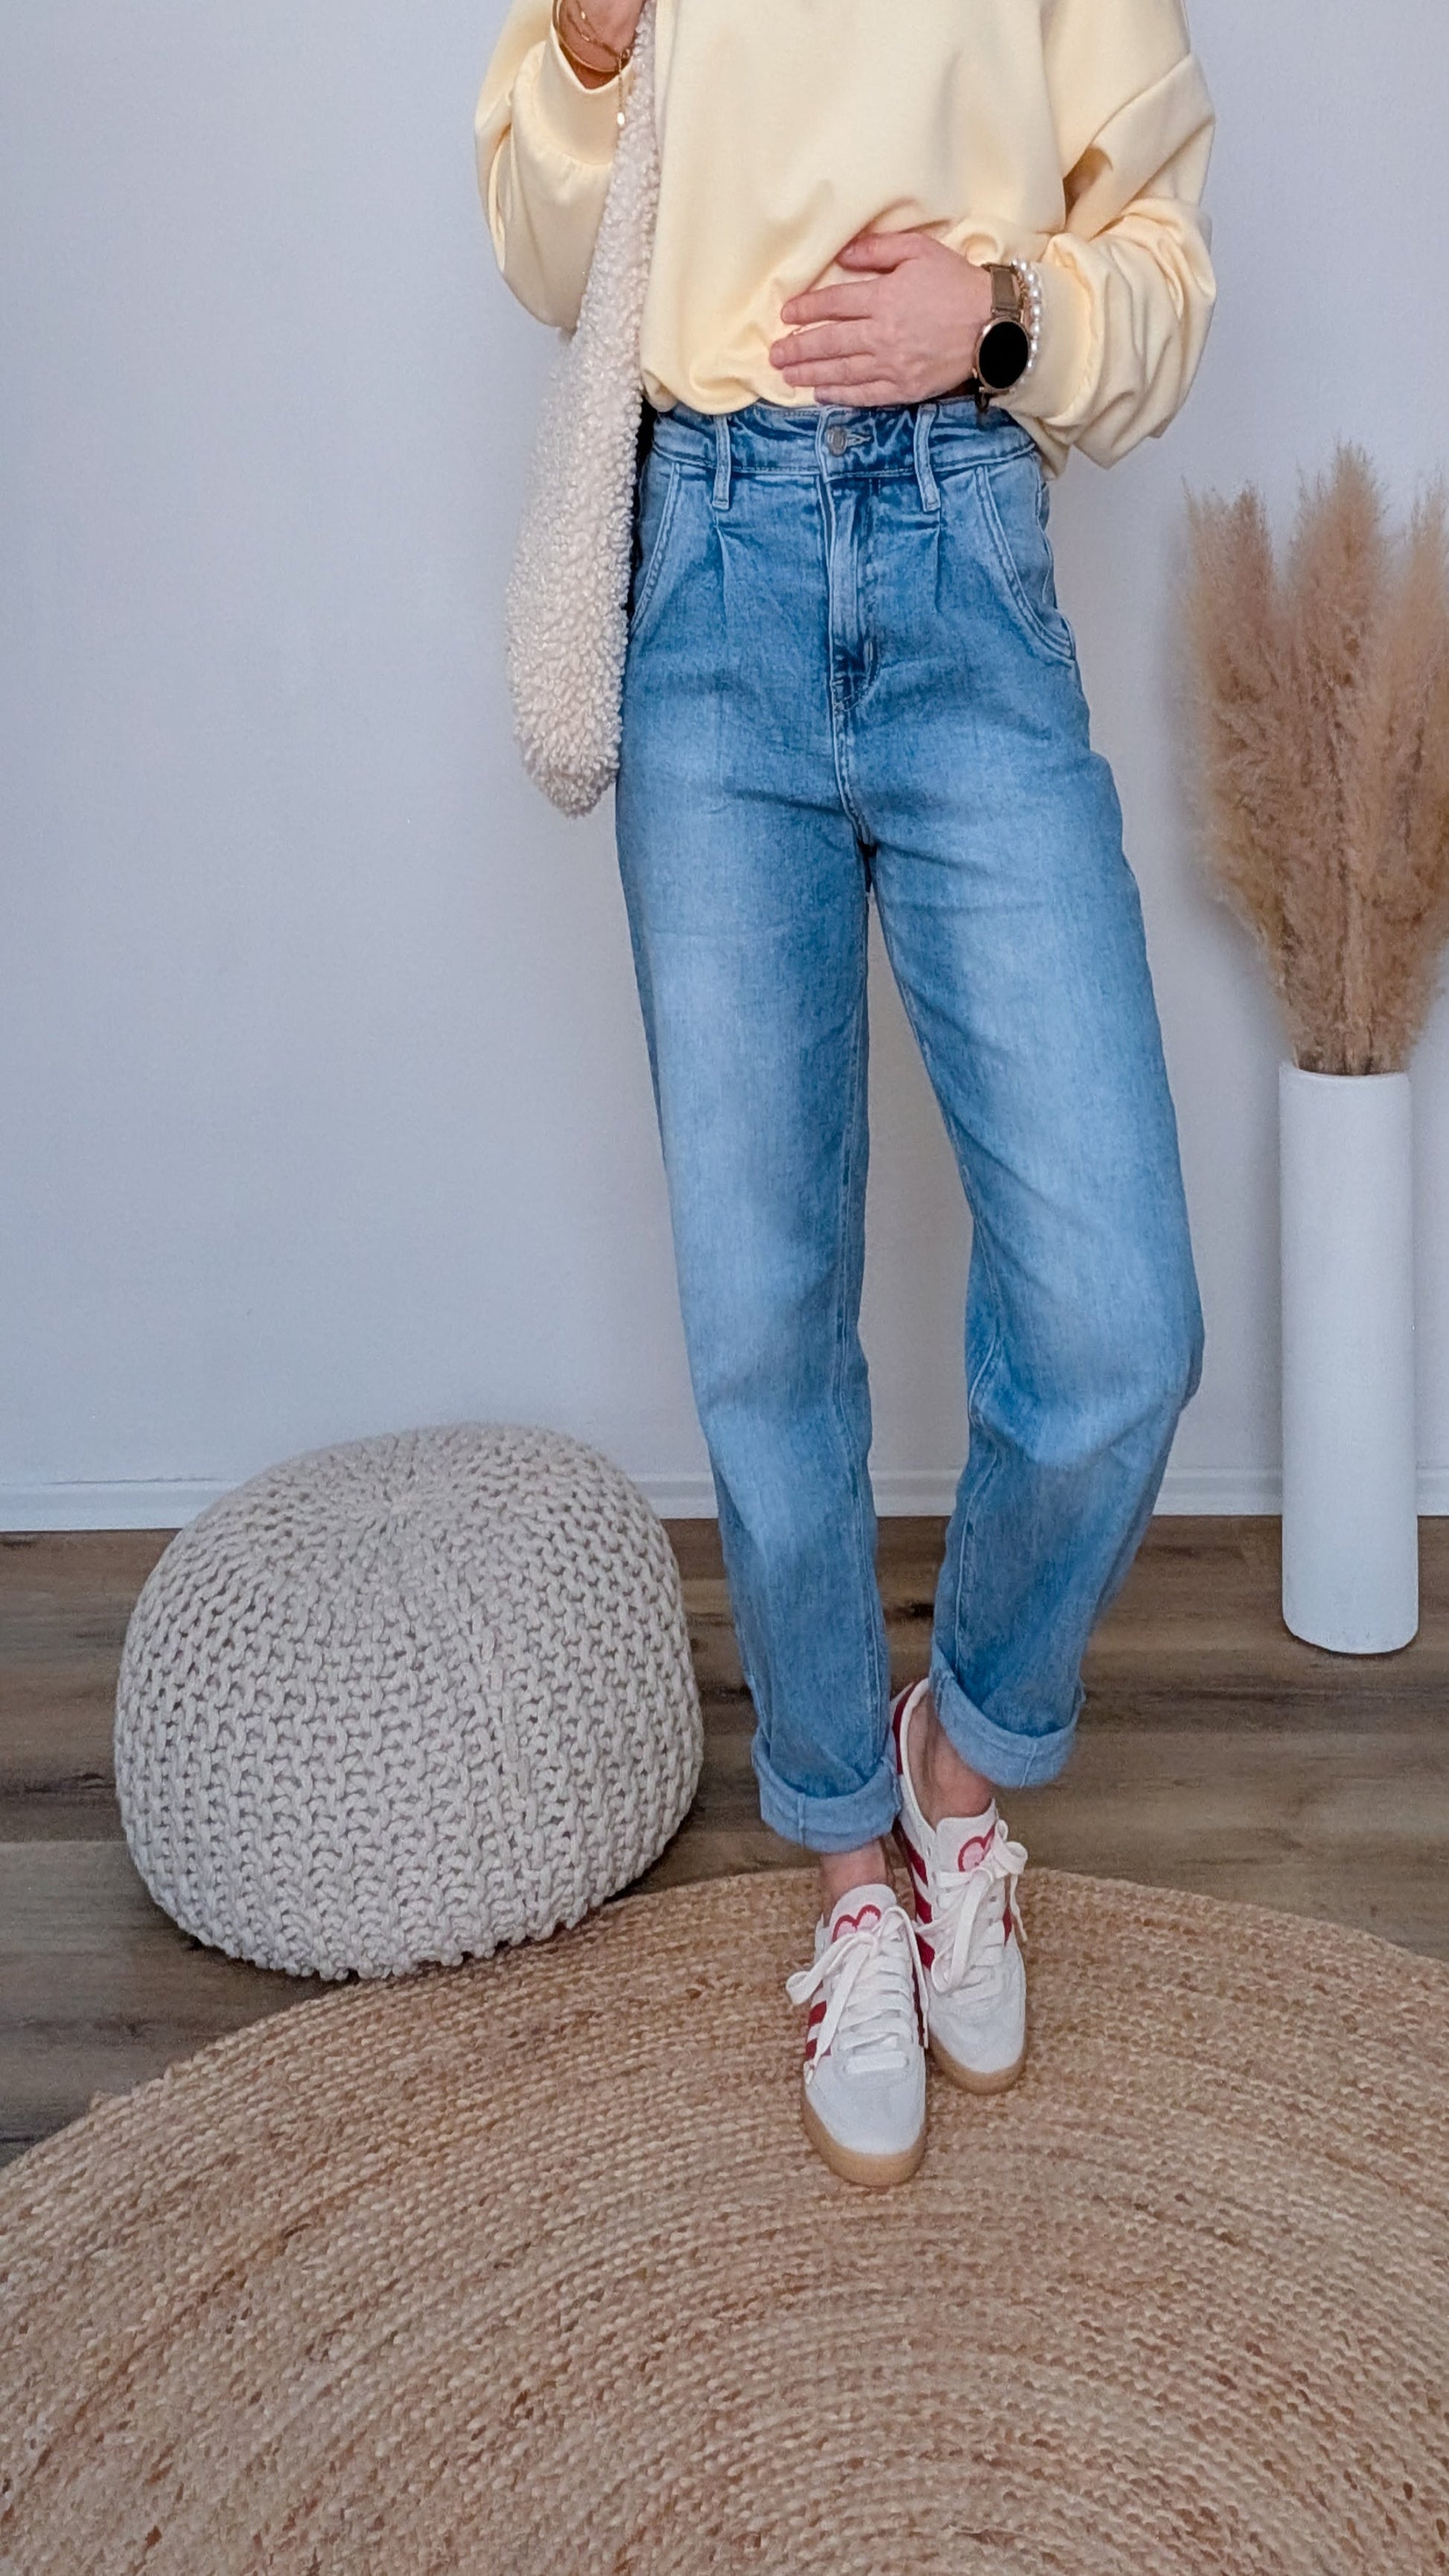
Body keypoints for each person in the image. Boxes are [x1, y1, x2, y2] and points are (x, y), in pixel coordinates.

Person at [475, 0, 1214, 2187]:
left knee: (1119, 1319)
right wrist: (588, 63)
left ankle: (951, 1768)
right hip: (701, 571)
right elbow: (550, 258)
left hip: (963, 553)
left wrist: (1001, 316)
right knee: (762, 1313)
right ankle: (845, 1871)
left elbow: (1165, 270)